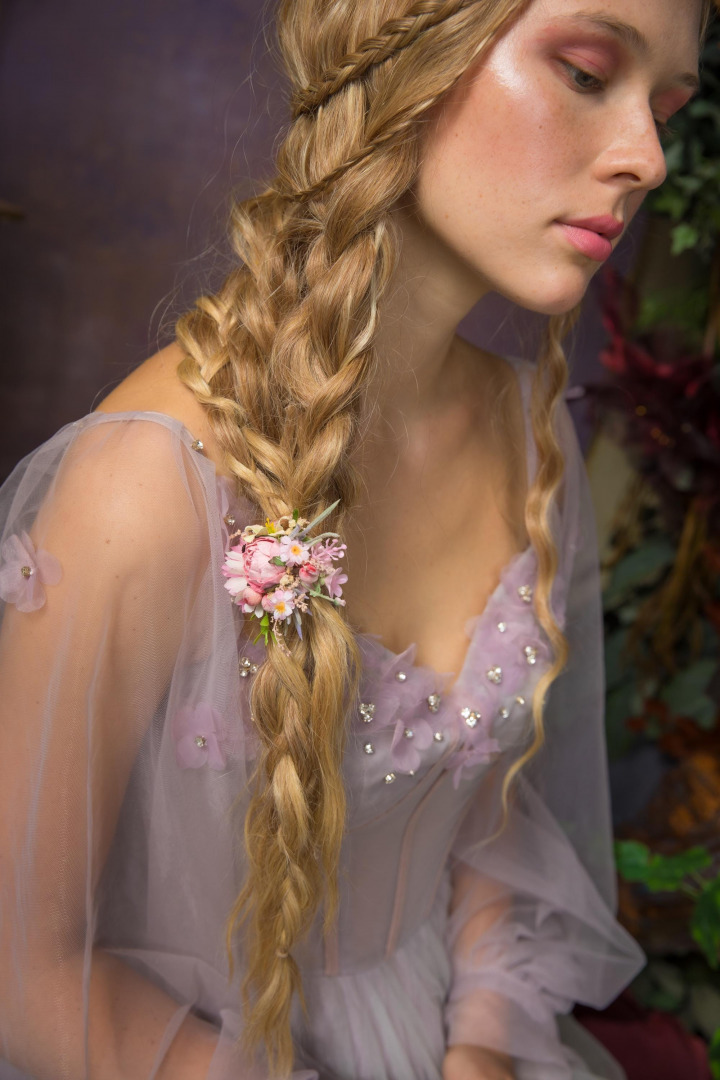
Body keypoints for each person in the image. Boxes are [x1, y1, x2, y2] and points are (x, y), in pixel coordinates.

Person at [0, 0, 711, 1077]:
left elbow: (488, 816)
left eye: (666, 109)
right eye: (583, 72)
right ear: (407, 63)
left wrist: (484, 1042)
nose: (647, 159)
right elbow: (20, 966)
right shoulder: (143, 490)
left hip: (430, 1020)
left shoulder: (532, 437)